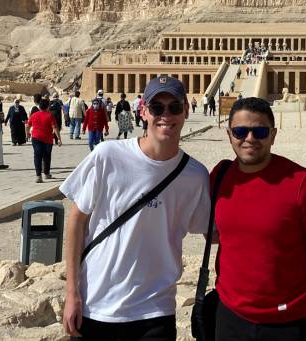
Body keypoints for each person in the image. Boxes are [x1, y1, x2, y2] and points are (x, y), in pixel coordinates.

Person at [60, 75, 210, 341]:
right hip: (96, 304)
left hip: (155, 311)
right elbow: (76, 221)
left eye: (174, 107)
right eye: (157, 108)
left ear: (186, 110)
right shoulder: (108, 156)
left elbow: (214, 233)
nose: (166, 115)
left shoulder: (195, 176)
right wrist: (72, 292)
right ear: (143, 111)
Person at [211, 97, 306, 341]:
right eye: (241, 131)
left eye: (260, 131)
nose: (250, 139)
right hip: (229, 317)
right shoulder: (219, 177)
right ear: (229, 134)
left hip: (286, 323)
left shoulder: (302, 183)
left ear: (273, 135)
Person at [26, 98, 62, 183]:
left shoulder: (34, 115)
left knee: (37, 156)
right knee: (47, 157)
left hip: (36, 138)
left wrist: (27, 134)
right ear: (47, 107)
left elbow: (27, 125)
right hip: (47, 140)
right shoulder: (50, 115)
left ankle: (38, 176)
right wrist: (59, 139)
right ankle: (46, 174)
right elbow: (55, 128)